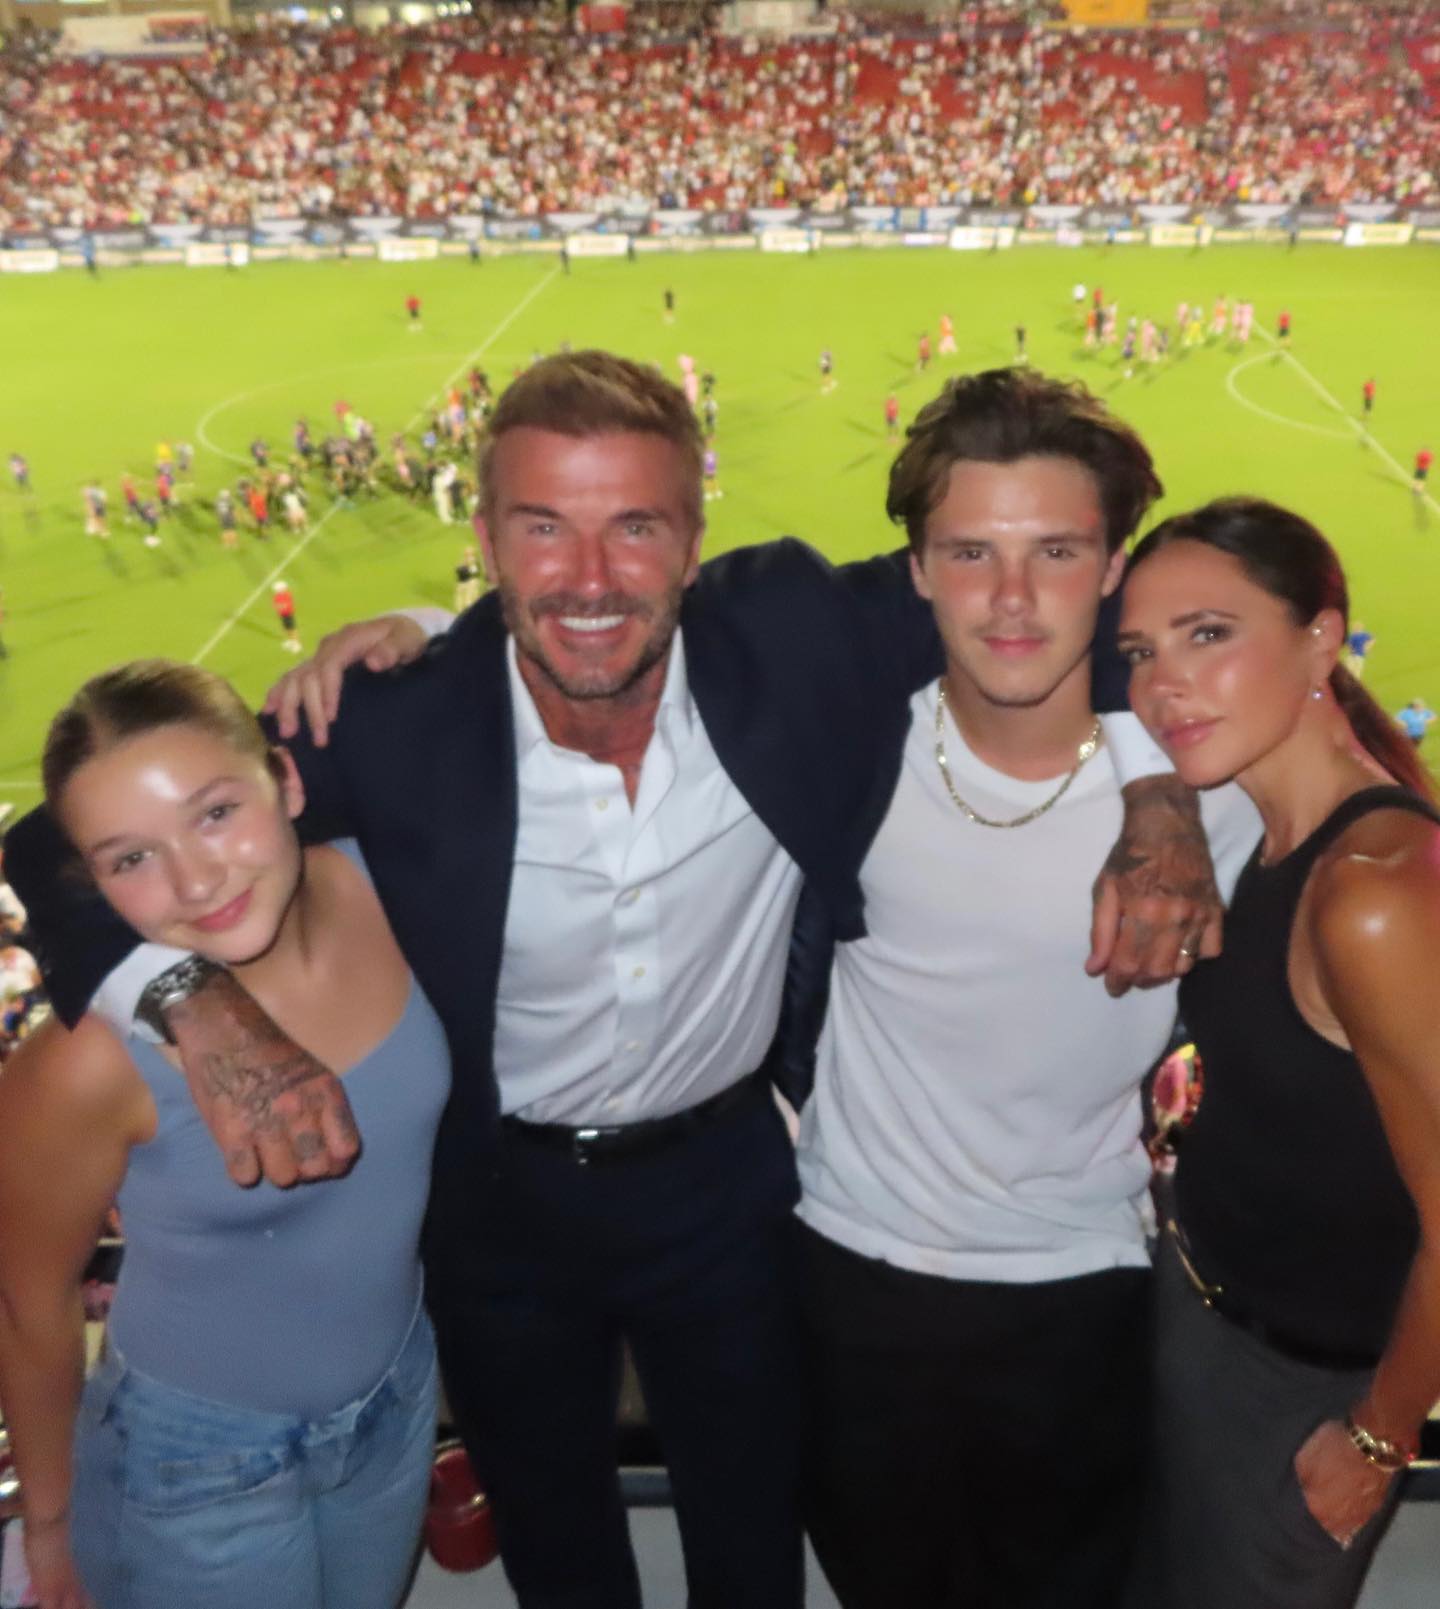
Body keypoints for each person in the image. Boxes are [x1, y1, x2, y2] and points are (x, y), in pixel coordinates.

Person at [7, 352, 1217, 1609]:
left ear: (696, 539)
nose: (589, 579)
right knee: (561, 1551)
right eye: (545, 526)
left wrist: (1153, 780)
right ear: (484, 539)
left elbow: (1061, 597)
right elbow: (52, 841)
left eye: (634, 526)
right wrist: (186, 997)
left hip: (725, 1190)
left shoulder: (792, 638)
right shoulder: (393, 720)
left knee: (754, 1541)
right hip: (500, 1201)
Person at [788, 369, 1259, 1609]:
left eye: (1055, 550)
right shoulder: (843, 747)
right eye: (969, 552)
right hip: (850, 1276)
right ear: (916, 570)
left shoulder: (1221, 802)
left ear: (1112, 571)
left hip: (1081, 1294)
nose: (1010, 599)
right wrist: (410, 631)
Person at [0, 661, 448, 1609]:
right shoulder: (84, 1064)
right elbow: (27, 1299)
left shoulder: (393, 889)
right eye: (130, 858)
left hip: (400, 1393)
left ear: (288, 783)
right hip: (192, 1460)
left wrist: (422, 631)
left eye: (214, 813)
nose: (196, 881)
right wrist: (50, 1521)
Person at [1118, 498, 1440, 1609]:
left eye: (1209, 634)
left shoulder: (1375, 891)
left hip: (1296, 1393)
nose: (1164, 684)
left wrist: (1379, 1438)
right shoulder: (1266, 837)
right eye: (1141, 651)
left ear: (1321, 638)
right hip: (1201, 1315)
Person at [272, 579, 302, 654]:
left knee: (292, 629)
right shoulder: (276, 596)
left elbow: (287, 605)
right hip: (282, 615)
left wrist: (280, 606)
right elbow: (275, 605)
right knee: (286, 629)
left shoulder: (287, 595)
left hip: (288, 614)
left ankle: (296, 644)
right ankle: (290, 641)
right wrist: (279, 607)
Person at [454, 545, 484, 613]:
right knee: (464, 601)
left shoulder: (472, 561)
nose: (467, 555)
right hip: (467, 582)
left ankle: (469, 613)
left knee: (469, 600)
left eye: (468, 553)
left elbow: (473, 573)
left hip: (471, 582)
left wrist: (464, 567)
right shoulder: (466, 561)